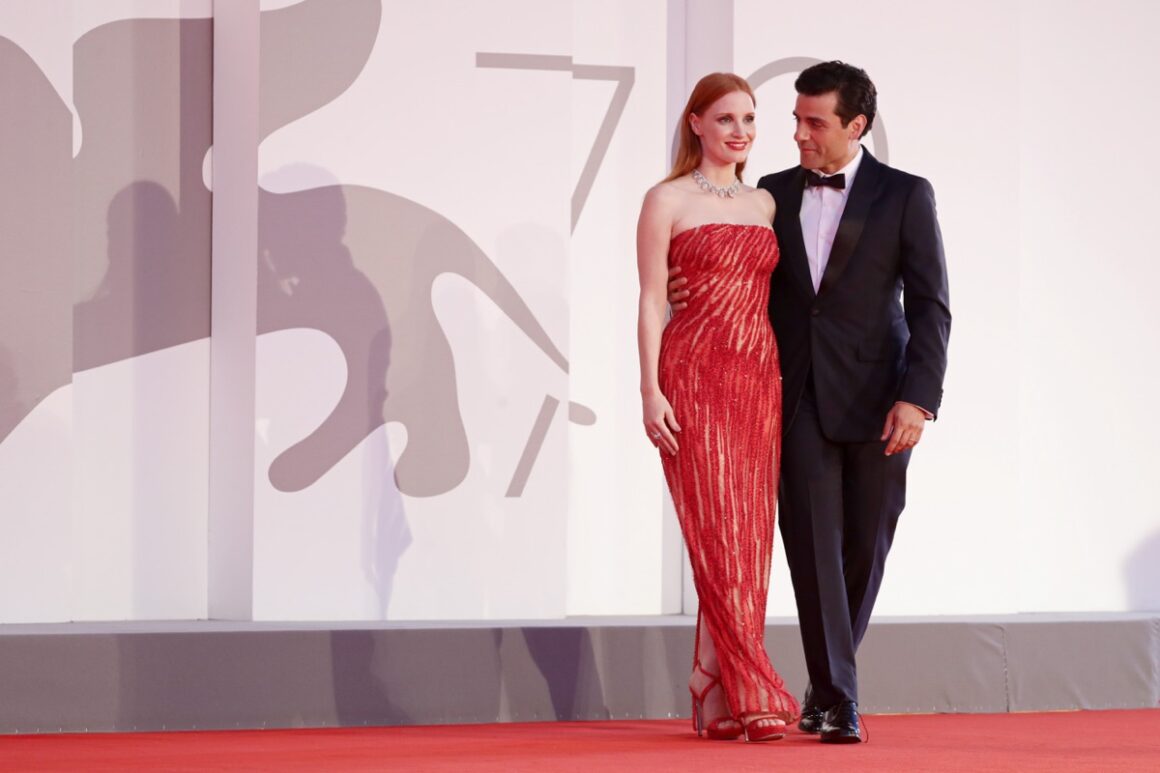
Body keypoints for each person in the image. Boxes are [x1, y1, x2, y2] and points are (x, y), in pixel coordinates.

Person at [669, 61, 951, 744]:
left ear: (856, 126)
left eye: (813, 122)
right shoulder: (768, 193)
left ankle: (828, 684)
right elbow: (742, 280)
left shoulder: (905, 195)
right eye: (794, 119)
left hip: (882, 400)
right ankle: (840, 700)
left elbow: (932, 304)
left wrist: (919, 397)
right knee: (812, 551)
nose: (797, 134)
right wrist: (690, 295)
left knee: (865, 546)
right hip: (789, 398)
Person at [637, 72, 800, 743]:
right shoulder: (665, 199)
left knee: (748, 532)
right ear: (696, 123)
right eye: (727, 118)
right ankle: (753, 685)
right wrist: (649, 388)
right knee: (716, 531)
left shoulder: (765, 204)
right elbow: (651, 299)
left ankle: (712, 684)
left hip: (758, 376)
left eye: (750, 120)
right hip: (693, 373)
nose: (740, 132)